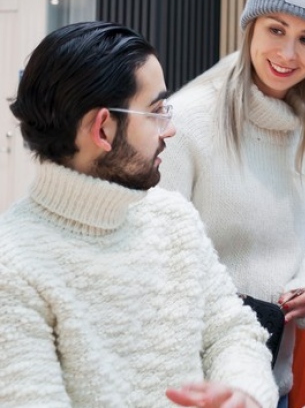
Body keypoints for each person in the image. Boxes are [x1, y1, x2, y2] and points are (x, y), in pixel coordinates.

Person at [0, 21, 278, 407]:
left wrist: (243, 395)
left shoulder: (172, 217)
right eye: (157, 111)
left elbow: (231, 330)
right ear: (102, 129)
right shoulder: (12, 268)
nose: (170, 130)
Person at [158, 0, 305, 407]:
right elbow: (157, 257)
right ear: (250, 29)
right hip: (195, 385)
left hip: (269, 381)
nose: (287, 53)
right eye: (275, 29)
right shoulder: (187, 122)